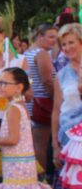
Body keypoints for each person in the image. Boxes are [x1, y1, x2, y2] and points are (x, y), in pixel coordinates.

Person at [51, 23, 82, 189]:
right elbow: (56, 108)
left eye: (71, 42)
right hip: (70, 135)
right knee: (78, 185)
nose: (68, 47)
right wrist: (55, 142)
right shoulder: (61, 74)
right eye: (64, 44)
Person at [24, 24, 57, 171]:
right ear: (40, 36)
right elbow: (47, 81)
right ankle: (41, 178)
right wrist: (57, 99)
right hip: (42, 105)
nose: (54, 41)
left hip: (32, 105)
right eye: (50, 37)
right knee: (41, 146)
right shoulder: (41, 54)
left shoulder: (27, 53)